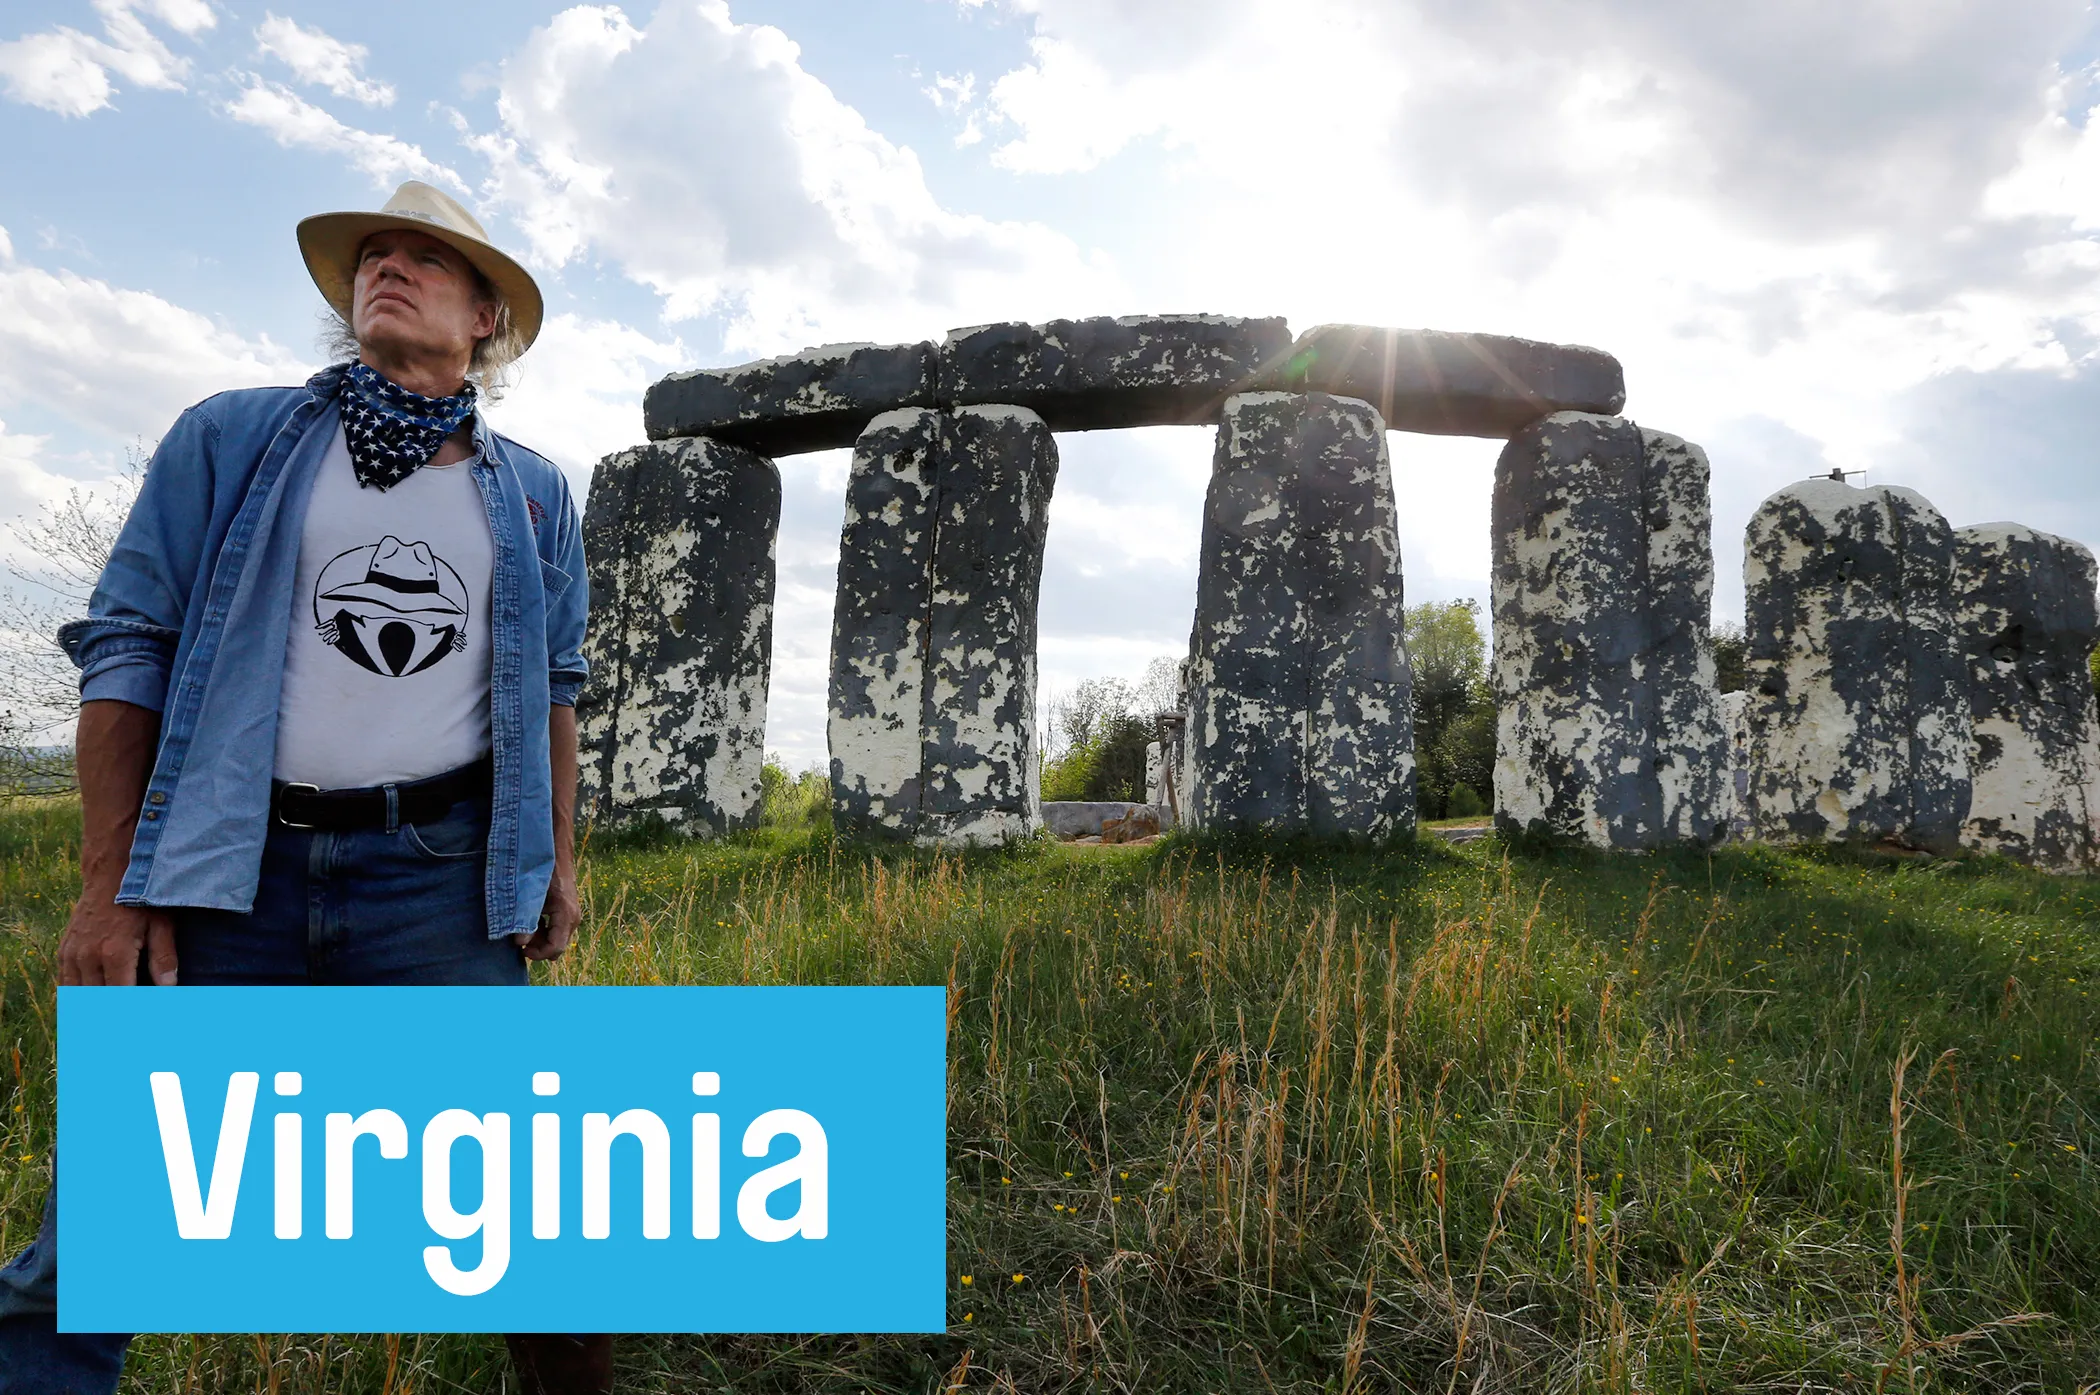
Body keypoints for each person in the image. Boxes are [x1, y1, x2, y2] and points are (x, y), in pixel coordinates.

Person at [0, 182, 611, 1394]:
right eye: (373, 255)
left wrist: (554, 862)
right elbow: (128, 643)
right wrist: (110, 881)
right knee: (105, 1233)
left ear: (486, 314)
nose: (389, 267)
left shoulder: (534, 490)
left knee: (529, 1218)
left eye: (428, 258)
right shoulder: (231, 437)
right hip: (234, 874)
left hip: (435, 881)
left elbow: (556, 687)